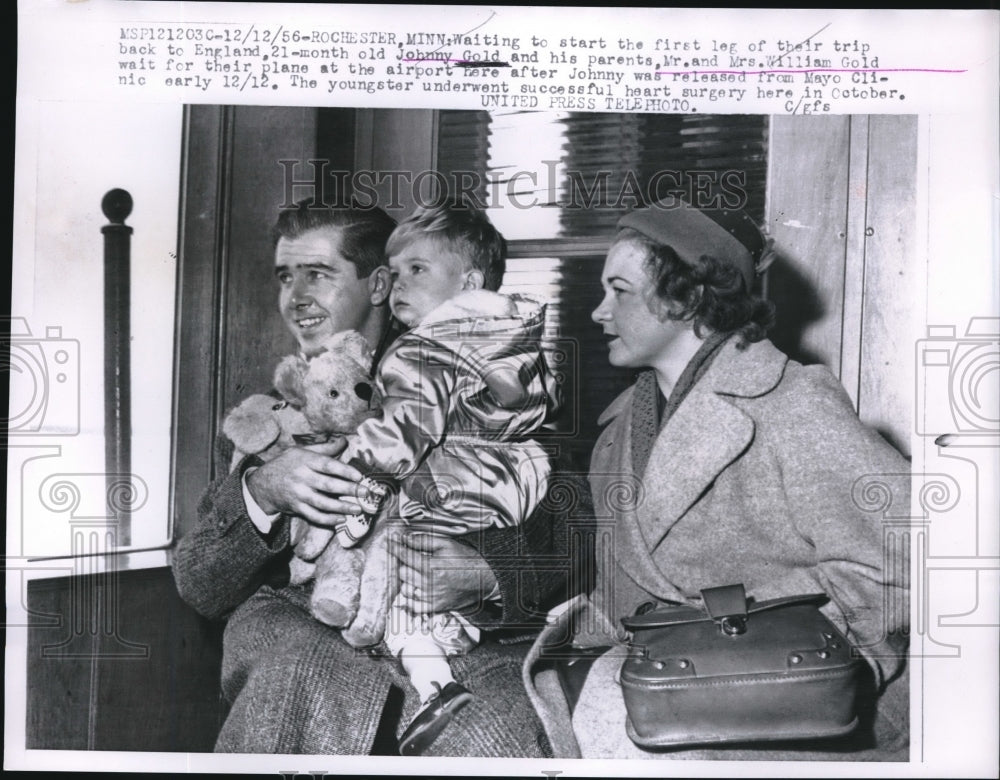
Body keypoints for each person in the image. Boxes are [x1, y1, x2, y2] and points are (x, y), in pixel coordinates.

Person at [172, 199, 592, 757]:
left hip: (463, 646)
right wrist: (264, 490)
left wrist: (486, 572)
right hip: (307, 638)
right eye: (285, 276)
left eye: (318, 274)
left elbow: (576, 523)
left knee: (498, 741)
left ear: (378, 284)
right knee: (293, 684)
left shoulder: (474, 376)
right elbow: (200, 583)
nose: (295, 297)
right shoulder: (267, 419)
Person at [523, 197, 910, 761]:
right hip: (661, 692)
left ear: (687, 297)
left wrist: (811, 663)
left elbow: (901, 557)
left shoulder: (792, 403)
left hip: (789, 712)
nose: (599, 312)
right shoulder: (619, 429)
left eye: (619, 290)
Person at [333, 202, 559, 750]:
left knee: (398, 562)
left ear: (470, 283)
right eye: (394, 271)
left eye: (418, 269)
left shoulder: (424, 348)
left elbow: (403, 431)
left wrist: (356, 468)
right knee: (433, 570)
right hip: (516, 474)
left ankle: (435, 684)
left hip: (457, 476)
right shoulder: (515, 336)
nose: (399, 284)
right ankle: (453, 629)